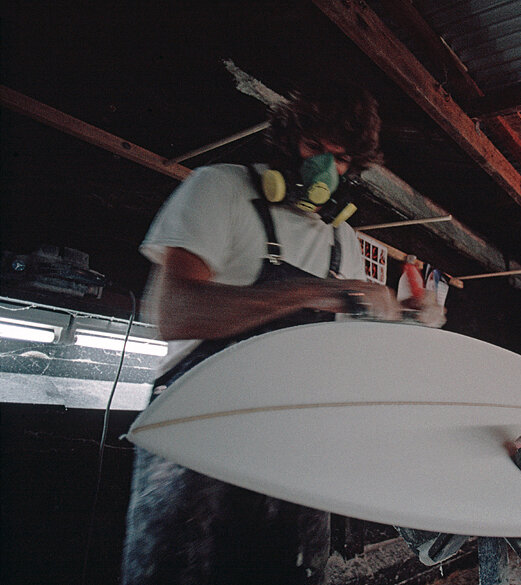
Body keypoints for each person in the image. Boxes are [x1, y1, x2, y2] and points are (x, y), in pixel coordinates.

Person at [121, 84, 444, 584]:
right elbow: (174, 312)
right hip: (200, 429)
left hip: (293, 440)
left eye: (338, 158)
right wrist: (308, 292)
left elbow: (347, 356)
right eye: (313, 147)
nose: (324, 166)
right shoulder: (220, 188)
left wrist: (405, 322)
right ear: (288, 140)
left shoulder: (343, 238)